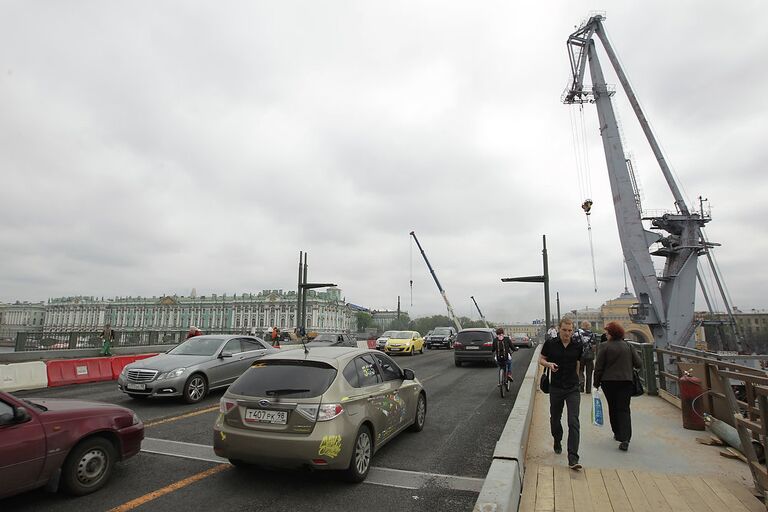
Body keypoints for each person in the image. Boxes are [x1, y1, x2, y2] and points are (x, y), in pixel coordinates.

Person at [540, 317, 583, 470]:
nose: (567, 333)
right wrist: (548, 364)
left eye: (570, 330)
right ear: (559, 329)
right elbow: (541, 359)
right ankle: (557, 440)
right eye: (564, 330)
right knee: (555, 419)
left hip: (572, 388)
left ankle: (573, 457)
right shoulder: (550, 344)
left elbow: (578, 362)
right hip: (556, 388)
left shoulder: (578, 345)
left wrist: (578, 378)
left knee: (573, 421)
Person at [593, 321, 642, 452]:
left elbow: (599, 367)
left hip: (608, 382)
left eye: (607, 332)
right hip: (626, 381)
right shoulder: (628, 346)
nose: (606, 334)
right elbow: (639, 364)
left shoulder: (604, 346)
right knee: (624, 409)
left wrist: (596, 384)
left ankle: (617, 433)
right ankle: (626, 438)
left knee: (613, 407)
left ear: (612, 334)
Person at [577, 321, 597, 393]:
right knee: (589, 373)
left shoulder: (577, 334)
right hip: (589, 356)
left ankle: (581, 384)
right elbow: (594, 346)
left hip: (580, 356)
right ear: (589, 326)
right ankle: (588, 389)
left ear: (581, 325)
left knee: (580, 370)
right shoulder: (592, 334)